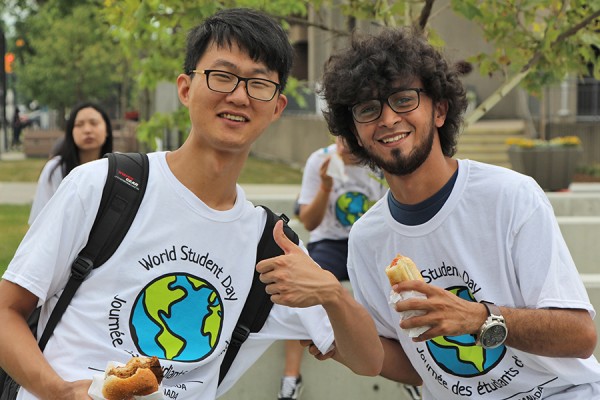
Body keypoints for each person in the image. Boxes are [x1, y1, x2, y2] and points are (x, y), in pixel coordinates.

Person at [0, 8, 383, 400]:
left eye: (259, 84)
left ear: (277, 108)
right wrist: (58, 391)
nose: (238, 95)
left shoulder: (270, 248)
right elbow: (7, 311)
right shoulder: (104, 186)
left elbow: (368, 361)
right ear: (186, 88)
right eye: (222, 76)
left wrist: (331, 295)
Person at [317, 27, 600, 399]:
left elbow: (580, 336)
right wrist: (341, 340)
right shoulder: (368, 239)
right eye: (368, 109)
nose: (386, 119)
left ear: (439, 109)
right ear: (355, 133)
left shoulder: (510, 196)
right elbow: (415, 366)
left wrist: (478, 317)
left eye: (403, 99)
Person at [278, 135, 386, 400]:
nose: (345, 148)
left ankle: (413, 371)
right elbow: (309, 222)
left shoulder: (380, 161)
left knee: (398, 290)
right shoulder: (320, 160)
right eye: (341, 139)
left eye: (353, 140)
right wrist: (326, 186)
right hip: (329, 243)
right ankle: (291, 378)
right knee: (301, 291)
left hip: (370, 241)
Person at [28, 102, 113, 225]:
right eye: (79, 125)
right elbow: (40, 221)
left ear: (107, 130)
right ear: (70, 132)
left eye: (94, 123)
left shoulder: (119, 167)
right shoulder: (56, 169)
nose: (87, 130)